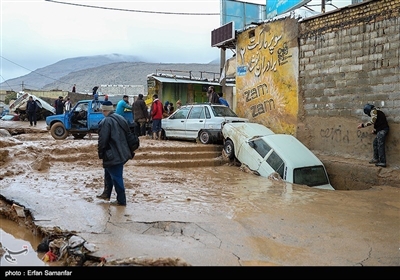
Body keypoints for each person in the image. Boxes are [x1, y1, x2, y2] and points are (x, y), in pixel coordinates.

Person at [96, 101, 132, 206]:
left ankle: (121, 200)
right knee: (108, 173)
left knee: (116, 177)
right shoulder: (120, 118)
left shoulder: (106, 121)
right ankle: (106, 193)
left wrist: (100, 153)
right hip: (122, 151)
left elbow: (102, 140)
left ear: (104, 110)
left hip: (112, 153)